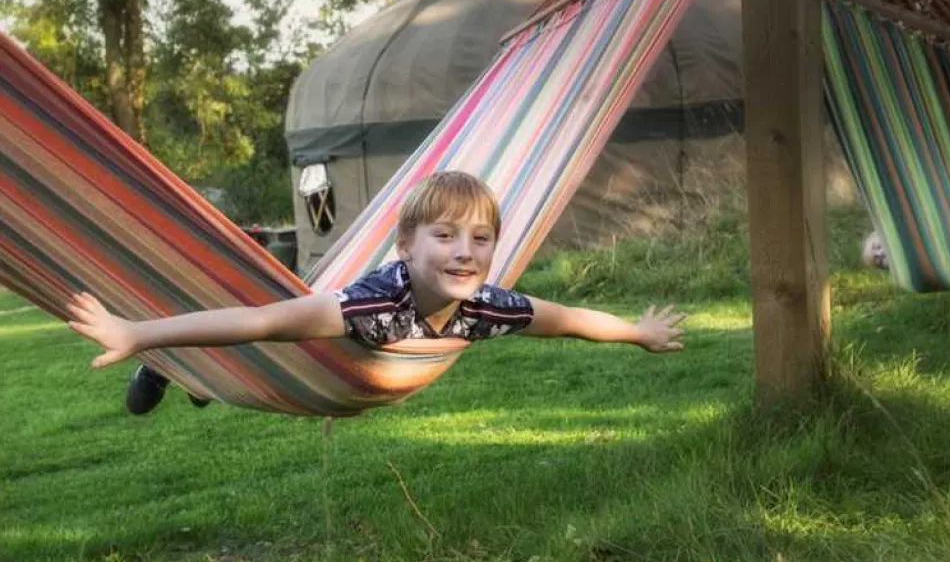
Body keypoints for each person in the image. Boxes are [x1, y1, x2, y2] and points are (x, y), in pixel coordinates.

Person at [67, 171, 687, 414]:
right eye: (445, 236)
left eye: (481, 239)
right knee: (260, 341)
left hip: (356, 346)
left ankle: (199, 377)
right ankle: (165, 365)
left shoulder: (487, 306)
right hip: (320, 338)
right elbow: (260, 321)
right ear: (405, 246)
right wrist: (136, 332)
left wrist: (638, 333)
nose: (465, 252)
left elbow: (569, 318)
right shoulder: (370, 307)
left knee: (250, 351)